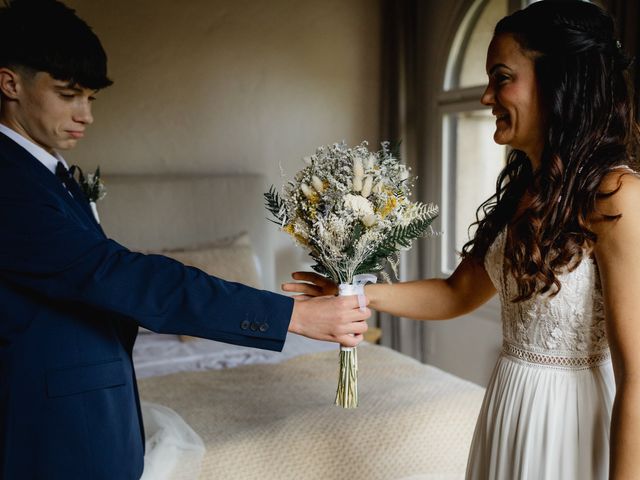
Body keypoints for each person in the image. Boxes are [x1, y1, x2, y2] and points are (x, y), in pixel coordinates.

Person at [0, 1, 370, 478]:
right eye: (69, 94)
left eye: (91, 98)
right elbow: (119, 275)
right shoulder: (10, 182)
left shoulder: (46, 173)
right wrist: (291, 314)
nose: (85, 115)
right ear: (10, 83)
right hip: (55, 435)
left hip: (90, 417)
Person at [285, 1, 640, 478]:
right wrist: (353, 291)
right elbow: (458, 292)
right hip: (509, 409)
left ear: (560, 81)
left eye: (502, 77)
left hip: (571, 423)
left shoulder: (618, 196)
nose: (487, 97)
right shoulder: (526, 189)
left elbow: (637, 376)